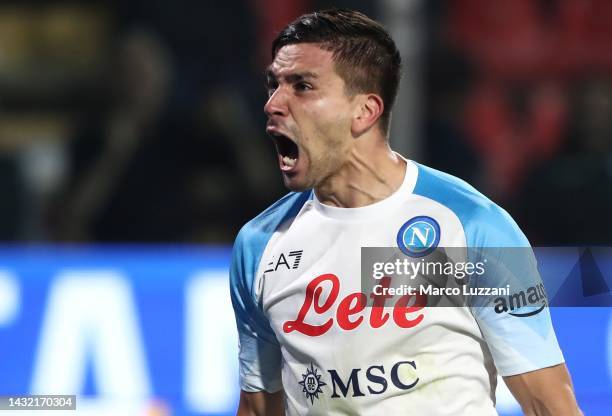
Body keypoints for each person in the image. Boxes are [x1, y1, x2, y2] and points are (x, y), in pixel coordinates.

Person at [230, 9, 581, 415]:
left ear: (365, 111)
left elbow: (548, 402)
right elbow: (258, 408)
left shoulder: (471, 226)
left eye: (302, 86)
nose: (273, 104)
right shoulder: (260, 246)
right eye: (273, 84)